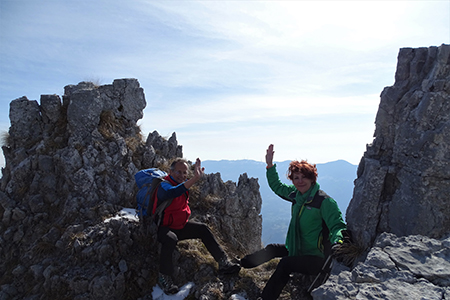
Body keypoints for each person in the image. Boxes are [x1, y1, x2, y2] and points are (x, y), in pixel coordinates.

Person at [240, 144, 346, 299]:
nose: (300, 181)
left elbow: (337, 225)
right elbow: (277, 186)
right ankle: (241, 264)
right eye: (296, 178)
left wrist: (339, 241)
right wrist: (270, 166)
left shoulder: (324, 202)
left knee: (285, 264)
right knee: (272, 249)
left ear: (312, 178)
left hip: (318, 258)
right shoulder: (296, 196)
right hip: (299, 249)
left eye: (304, 177)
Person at [155, 157, 240, 294]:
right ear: (170, 172)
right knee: (170, 239)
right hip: (162, 227)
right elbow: (173, 192)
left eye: (184, 173)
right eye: (178, 172)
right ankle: (164, 277)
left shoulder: (181, 186)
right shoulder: (164, 185)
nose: (182, 176)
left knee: (202, 229)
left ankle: (223, 262)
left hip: (178, 226)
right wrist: (194, 179)